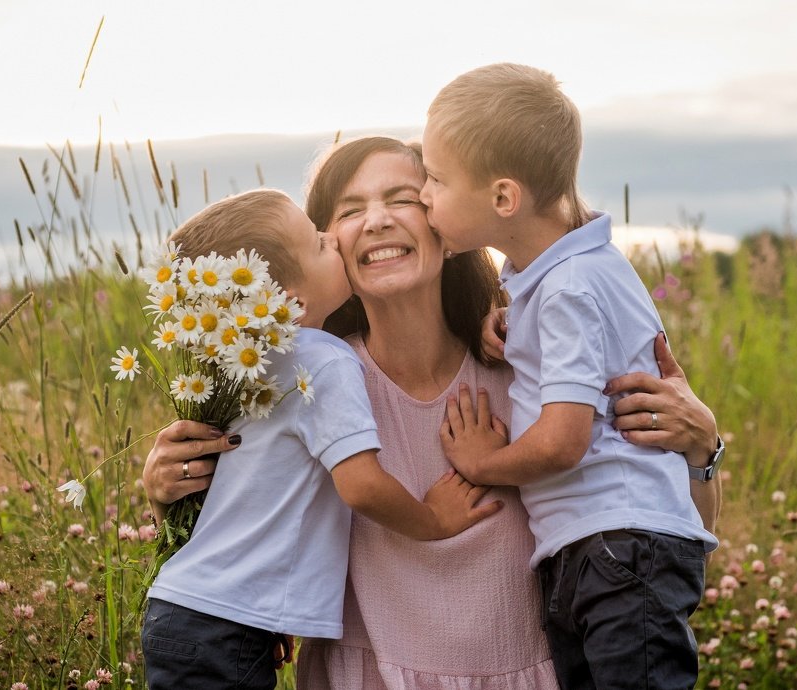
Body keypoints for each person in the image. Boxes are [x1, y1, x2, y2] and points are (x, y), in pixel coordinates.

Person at [142, 137, 722, 689]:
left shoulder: (537, 368)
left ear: (448, 226)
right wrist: (171, 489)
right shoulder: (297, 386)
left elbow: (663, 534)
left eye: (404, 199)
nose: (377, 220)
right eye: (350, 210)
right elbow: (234, 539)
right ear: (325, 245)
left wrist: (702, 452)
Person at [422, 63, 724, 689]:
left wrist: (484, 464)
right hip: (598, 547)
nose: (424, 194)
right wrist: (515, 329)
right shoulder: (565, 276)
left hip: (617, 547)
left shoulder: (569, 288)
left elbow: (565, 441)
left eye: (436, 179)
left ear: (504, 198)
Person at [140, 189, 501, 689]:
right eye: (318, 242)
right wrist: (433, 519)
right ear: (291, 302)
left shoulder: (253, 372)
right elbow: (361, 486)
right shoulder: (325, 359)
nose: (334, 237)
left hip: (192, 611)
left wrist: (267, 610)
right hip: (222, 623)